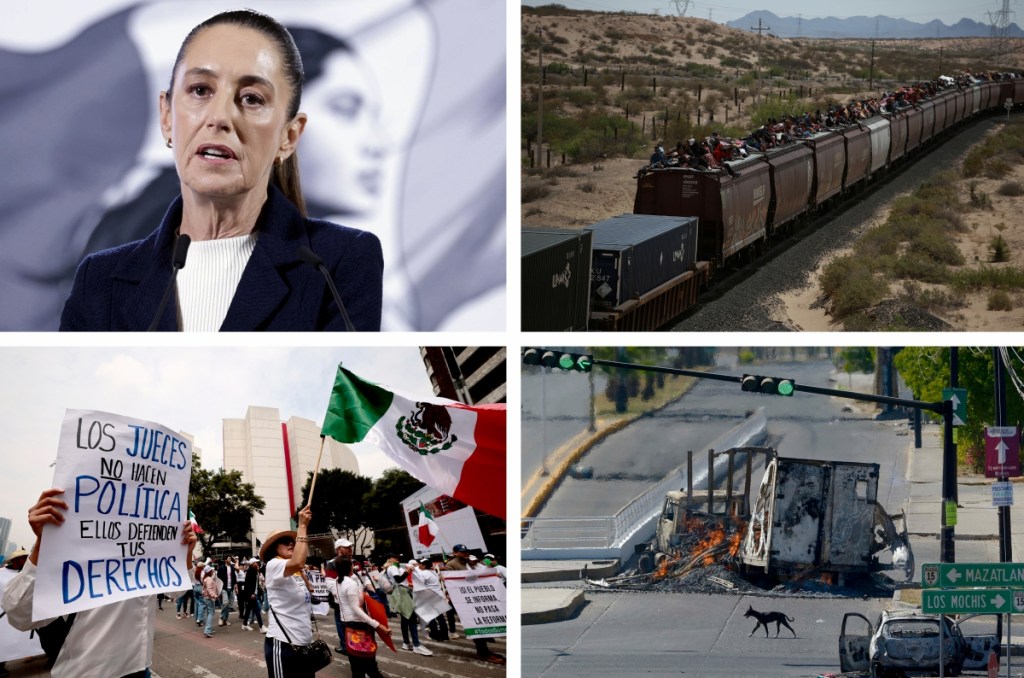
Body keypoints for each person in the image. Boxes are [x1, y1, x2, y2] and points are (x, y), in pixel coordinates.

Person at [58, 9, 383, 332]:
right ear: (167, 117)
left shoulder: (342, 262)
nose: (220, 117)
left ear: (289, 135)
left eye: (252, 98)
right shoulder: (100, 278)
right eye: (200, 90)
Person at [1, 488, 197, 677]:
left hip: (139, 668)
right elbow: (21, 615)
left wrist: (185, 553)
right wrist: (44, 543)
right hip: (85, 672)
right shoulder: (74, 551)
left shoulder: (147, 551)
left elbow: (176, 592)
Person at [261, 505, 316, 678]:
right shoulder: (273, 565)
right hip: (284, 645)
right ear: (274, 548)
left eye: (292, 541)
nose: (291, 543)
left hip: (305, 644)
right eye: (285, 541)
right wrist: (302, 526)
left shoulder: (295, 573)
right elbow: (298, 562)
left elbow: (300, 565)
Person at [445, 544, 504, 665]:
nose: (466, 553)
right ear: (455, 553)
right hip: (463, 600)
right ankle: (483, 652)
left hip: (475, 598)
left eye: (466, 551)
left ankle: (485, 650)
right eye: (462, 552)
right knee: (474, 624)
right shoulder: (451, 565)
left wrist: (491, 576)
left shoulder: (469, 563)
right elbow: (453, 583)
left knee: (481, 622)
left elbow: (476, 577)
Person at [333, 558, 391, 678]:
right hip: (358, 625)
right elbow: (356, 609)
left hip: (347, 624)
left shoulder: (337, 581)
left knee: (357, 665)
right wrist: (377, 625)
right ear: (349, 567)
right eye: (352, 565)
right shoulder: (350, 583)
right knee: (369, 665)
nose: (354, 567)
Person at [384, 555, 431, 655]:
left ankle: (406, 642)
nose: (397, 558)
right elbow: (398, 580)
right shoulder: (393, 567)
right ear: (390, 559)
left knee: (405, 619)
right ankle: (416, 645)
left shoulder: (393, 567)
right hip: (401, 593)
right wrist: (408, 571)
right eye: (394, 557)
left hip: (400, 592)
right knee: (411, 618)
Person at [410, 559, 449, 642]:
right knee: (440, 617)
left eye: (419, 564)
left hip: (430, 596)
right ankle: (445, 635)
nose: (418, 565)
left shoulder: (423, 574)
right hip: (439, 595)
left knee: (431, 617)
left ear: (424, 565)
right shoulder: (433, 572)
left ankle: (435, 634)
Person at [242, 558, 267, 632]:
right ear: (252, 564)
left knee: (248, 610)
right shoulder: (251, 571)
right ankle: (261, 626)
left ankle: (244, 624)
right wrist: (251, 594)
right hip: (252, 594)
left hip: (253, 594)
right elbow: (248, 584)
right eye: (256, 562)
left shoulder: (254, 571)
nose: (257, 564)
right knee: (257, 609)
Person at [217, 556, 238, 626]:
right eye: (228, 558)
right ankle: (221, 617)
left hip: (231, 588)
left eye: (230, 558)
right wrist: (218, 589)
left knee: (229, 605)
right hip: (224, 588)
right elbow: (218, 579)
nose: (230, 559)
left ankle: (225, 620)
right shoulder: (221, 568)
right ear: (225, 560)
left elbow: (234, 577)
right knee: (225, 603)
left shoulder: (232, 567)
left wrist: (235, 587)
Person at [201, 565, 219, 638]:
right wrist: (215, 595)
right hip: (209, 598)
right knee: (211, 612)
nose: (212, 571)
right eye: (211, 570)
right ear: (209, 572)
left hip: (206, 597)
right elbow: (209, 589)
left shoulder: (206, 578)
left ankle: (209, 628)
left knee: (209, 613)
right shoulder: (209, 579)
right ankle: (207, 630)